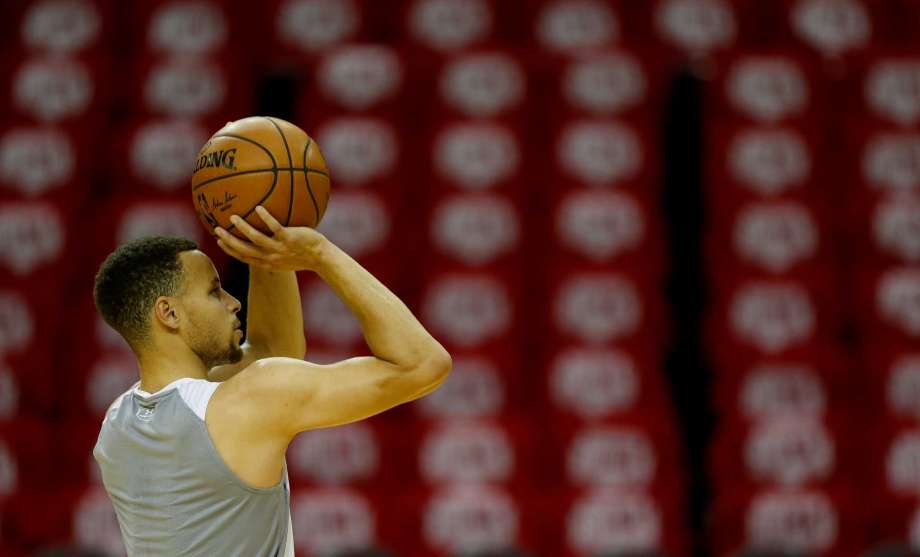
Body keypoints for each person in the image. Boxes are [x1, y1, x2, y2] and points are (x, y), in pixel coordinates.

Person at [92, 206, 452, 556]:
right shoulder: (247, 402)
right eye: (214, 291)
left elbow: (273, 350)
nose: (233, 303)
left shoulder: (114, 426)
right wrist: (319, 252)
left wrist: (266, 245)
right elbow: (422, 364)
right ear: (169, 313)